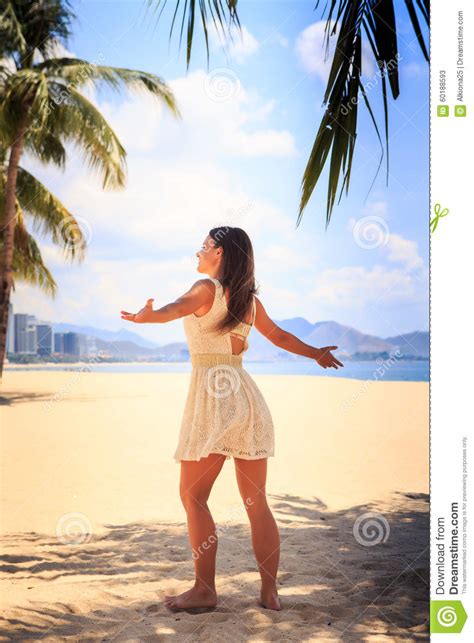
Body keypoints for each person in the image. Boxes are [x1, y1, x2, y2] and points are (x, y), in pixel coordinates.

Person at [120, 226, 343, 612]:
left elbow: (174, 309)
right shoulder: (248, 301)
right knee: (257, 503)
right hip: (247, 399)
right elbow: (281, 338)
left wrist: (147, 318)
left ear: (219, 253)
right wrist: (316, 354)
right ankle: (269, 593)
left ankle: (205, 589)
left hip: (212, 400)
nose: (198, 253)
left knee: (193, 497)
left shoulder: (205, 289)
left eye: (204, 246)